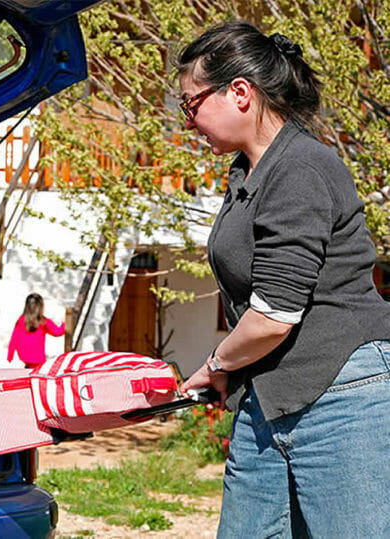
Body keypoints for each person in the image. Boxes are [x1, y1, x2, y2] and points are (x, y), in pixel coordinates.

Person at [176, 21, 390, 537]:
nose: (188, 122)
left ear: (241, 93)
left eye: (191, 104)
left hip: (343, 395)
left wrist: (216, 363)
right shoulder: (248, 174)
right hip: (267, 398)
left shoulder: (300, 168)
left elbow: (274, 315)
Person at [6, 293, 65, 367]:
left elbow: (14, 339)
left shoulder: (21, 320)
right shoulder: (43, 322)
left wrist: (10, 355)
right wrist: (64, 323)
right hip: (38, 358)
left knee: (28, 368)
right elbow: (57, 332)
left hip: (23, 355)